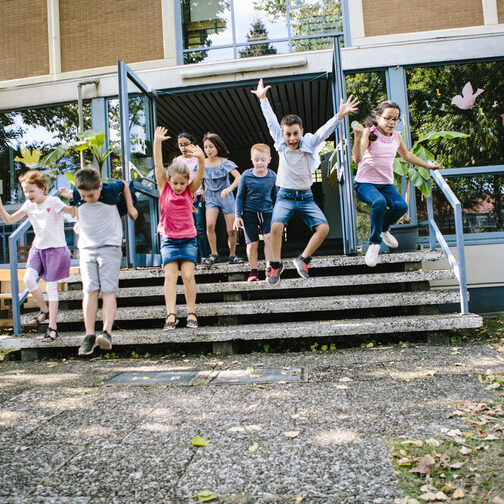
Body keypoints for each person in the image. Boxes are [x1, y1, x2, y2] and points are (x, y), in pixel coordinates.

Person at [252, 78, 359, 285]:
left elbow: (324, 131)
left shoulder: (309, 142)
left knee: (324, 228)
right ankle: (275, 265)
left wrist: (340, 115)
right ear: (283, 135)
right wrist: (263, 99)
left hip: (306, 197)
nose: (292, 138)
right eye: (288, 135)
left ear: (301, 132)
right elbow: (271, 122)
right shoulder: (280, 143)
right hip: (285, 195)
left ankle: (303, 259)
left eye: (295, 134)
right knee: (275, 227)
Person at [352, 100, 440, 267]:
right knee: (379, 202)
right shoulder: (369, 133)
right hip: (365, 184)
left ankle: (384, 228)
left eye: (395, 119)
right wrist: (357, 138)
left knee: (401, 207)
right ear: (378, 117)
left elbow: (407, 156)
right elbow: (357, 158)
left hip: (385, 184)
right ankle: (374, 244)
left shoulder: (397, 137)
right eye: (388, 118)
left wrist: (427, 165)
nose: (392, 122)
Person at [61, 168, 138, 355]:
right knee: (89, 290)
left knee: (108, 291)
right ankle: (89, 335)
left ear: (100, 186)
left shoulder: (110, 190)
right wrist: (79, 220)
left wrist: (130, 207)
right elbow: (80, 208)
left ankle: (106, 332)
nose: (88, 198)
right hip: (87, 249)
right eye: (84, 195)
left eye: (92, 194)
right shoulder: (78, 195)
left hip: (109, 247)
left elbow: (125, 185)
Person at [0, 170, 74, 342]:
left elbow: (75, 212)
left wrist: (72, 198)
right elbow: (10, 221)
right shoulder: (28, 205)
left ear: (42, 188)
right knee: (28, 280)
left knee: (51, 288)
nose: (28, 194)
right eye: (25, 191)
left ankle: (52, 327)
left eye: (31, 190)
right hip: (38, 249)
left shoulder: (53, 201)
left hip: (56, 250)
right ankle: (44, 309)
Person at [154, 126, 205, 330]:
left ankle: (191, 312)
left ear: (186, 183)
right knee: (170, 275)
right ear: (169, 181)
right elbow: (158, 166)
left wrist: (201, 160)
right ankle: (171, 314)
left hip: (188, 240)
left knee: (188, 275)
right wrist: (158, 143)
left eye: (182, 184)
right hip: (168, 239)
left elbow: (199, 177)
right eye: (175, 183)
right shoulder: (163, 189)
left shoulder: (188, 192)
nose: (178, 187)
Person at [233, 143, 277, 281]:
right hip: (249, 213)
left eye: (263, 160)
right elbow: (240, 197)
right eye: (256, 160)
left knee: (269, 238)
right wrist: (237, 216)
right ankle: (253, 271)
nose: (260, 163)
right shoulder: (246, 176)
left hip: (267, 212)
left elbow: (276, 197)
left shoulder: (273, 176)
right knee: (252, 244)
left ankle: (269, 268)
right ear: (252, 160)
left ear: (269, 159)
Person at [201, 132, 244, 265]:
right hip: (211, 197)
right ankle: (214, 254)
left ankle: (232, 255)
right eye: (206, 147)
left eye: (211, 147)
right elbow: (199, 179)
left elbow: (239, 177)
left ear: (218, 147)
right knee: (210, 225)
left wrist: (229, 188)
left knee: (231, 229)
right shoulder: (202, 163)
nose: (208, 150)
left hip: (226, 196)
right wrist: (203, 190)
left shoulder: (225, 162)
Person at [176, 132, 209, 263]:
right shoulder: (177, 160)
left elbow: (204, 176)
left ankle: (204, 255)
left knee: (199, 227)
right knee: (185, 229)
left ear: (193, 145)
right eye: (180, 145)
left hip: (198, 197)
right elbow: (175, 180)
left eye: (186, 144)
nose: (183, 148)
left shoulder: (198, 159)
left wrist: (205, 190)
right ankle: (190, 257)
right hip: (183, 199)